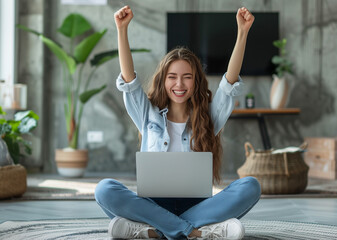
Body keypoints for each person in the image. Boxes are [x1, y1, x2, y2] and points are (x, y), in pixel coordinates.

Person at [95, 5, 261, 240]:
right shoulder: (147, 114)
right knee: (104, 189)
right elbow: (129, 81)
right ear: (163, 81)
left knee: (250, 186)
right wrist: (122, 30)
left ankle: (153, 232)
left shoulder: (209, 117)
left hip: (197, 206)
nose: (179, 85)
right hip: (152, 204)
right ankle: (196, 232)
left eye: (187, 77)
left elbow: (229, 83)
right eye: (172, 77)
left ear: (196, 82)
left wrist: (242, 33)